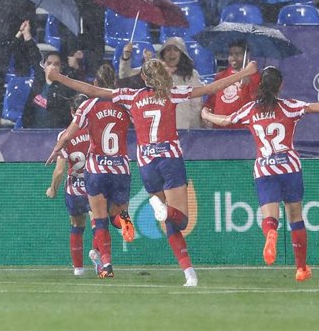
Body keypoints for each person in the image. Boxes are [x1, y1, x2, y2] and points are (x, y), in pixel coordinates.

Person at [47, 58, 259, 286]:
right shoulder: (173, 93)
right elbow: (209, 88)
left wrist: (58, 77)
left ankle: (189, 274)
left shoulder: (131, 96)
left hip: (145, 163)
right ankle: (157, 216)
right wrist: (243, 73)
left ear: (144, 78)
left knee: (146, 222)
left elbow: (91, 90)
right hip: (167, 159)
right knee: (180, 221)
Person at [201, 67, 319, 282]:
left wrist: (207, 114)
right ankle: (301, 268)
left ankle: (271, 232)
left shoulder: (250, 110)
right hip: (289, 167)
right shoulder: (290, 107)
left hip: (265, 169)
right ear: (280, 85)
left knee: (269, 217)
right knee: (295, 216)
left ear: (261, 85)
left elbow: (226, 121)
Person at [46, 64, 134, 279]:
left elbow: (68, 135)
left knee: (99, 219)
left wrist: (57, 149)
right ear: (115, 84)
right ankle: (125, 224)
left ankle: (106, 264)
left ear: (94, 84)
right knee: (117, 213)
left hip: (96, 170)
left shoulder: (88, 106)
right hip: (121, 166)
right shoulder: (126, 104)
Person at [45, 94, 91, 276]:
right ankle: (103, 263)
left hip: (74, 188)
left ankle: (78, 269)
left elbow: (59, 171)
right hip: (94, 186)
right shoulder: (96, 131)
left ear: (72, 111)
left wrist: (52, 189)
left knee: (77, 225)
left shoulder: (65, 135)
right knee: (99, 224)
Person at [119, 38, 203, 129]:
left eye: (176, 50)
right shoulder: (153, 70)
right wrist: (126, 56)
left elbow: (196, 105)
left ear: (181, 54)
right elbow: (124, 74)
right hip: (159, 127)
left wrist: (194, 129)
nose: (172, 53)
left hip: (183, 127)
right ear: (163, 53)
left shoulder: (192, 75)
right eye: (168, 50)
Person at [203, 41, 260, 128]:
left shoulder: (255, 77)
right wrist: (206, 110)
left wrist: (250, 83)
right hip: (218, 131)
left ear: (247, 55)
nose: (233, 58)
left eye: (237, 54)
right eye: (231, 54)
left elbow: (257, 104)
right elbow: (210, 102)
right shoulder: (220, 76)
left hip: (242, 132)